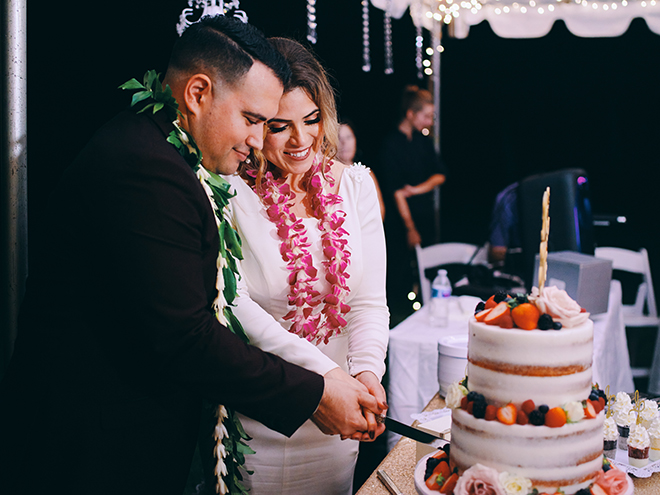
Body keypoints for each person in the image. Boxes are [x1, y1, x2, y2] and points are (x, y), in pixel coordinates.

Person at [0, 16, 382, 495]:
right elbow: (187, 337)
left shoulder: (166, 152)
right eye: (254, 121)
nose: (258, 142)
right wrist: (317, 391)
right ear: (199, 93)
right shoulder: (147, 169)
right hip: (90, 444)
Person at [216, 37, 390, 495]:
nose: (302, 140)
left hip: (339, 422)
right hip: (261, 419)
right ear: (254, 125)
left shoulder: (355, 185)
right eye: (281, 126)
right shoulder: (228, 191)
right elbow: (236, 307)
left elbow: (369, 302)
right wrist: (326, 381)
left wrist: (366, 375)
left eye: (311, 120)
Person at [338, 120, 386, 220]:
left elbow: (380, 210)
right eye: (338, 138)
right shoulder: (327, 174)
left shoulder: (366, 173)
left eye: (349, 137)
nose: (344, 143)